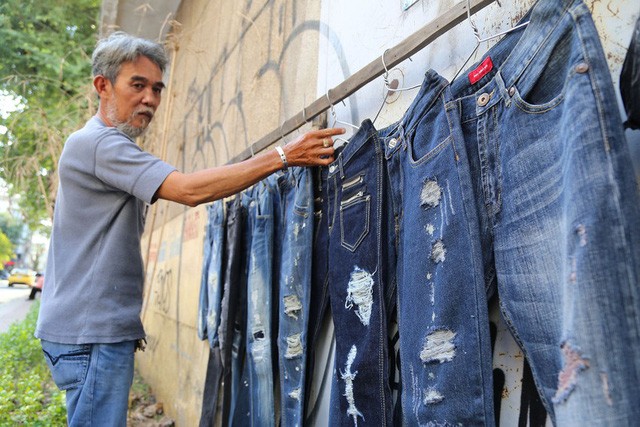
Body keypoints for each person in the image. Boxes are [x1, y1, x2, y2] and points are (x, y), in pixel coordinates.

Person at [34, 31, 344, 426]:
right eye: (138, 85)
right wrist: (284, 156)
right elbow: (189, 190)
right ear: (102, 85)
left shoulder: (97, 147)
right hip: (91, 334)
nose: (150, 98)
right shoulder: (99, 144)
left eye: (158, 89)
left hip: (84, 332)